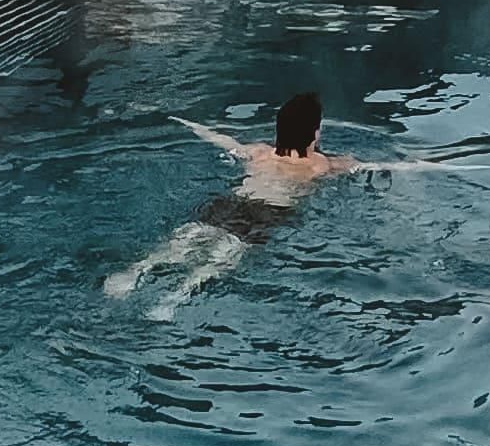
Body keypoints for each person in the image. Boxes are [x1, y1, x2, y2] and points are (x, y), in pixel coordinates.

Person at [103, 92, 449, 313]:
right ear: (315, 132)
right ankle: (172, 299)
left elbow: (222, 140)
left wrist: (187, 122)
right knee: (220, 260)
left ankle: (135, 272)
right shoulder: (322, 165)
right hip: (268, 215)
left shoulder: (259, 153)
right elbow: (382, 166)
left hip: (230, 201)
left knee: (185, 239)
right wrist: (438, 165)